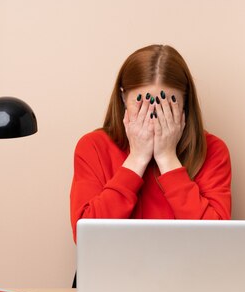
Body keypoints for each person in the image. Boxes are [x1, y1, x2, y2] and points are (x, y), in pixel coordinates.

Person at [70, 44, 232, 242]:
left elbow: (217, 241)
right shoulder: (93, 146)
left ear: (184, 105)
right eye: (142, 103)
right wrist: (137, 158)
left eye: (166, 105)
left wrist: (167, 158)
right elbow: (87, 237)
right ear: (123, 98)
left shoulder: (213, 150)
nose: (154, 115)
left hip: (186, 271)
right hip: (113, 271)